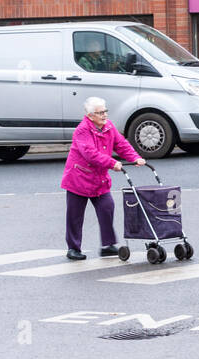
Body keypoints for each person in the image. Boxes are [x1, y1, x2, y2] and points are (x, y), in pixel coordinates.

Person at [61, 96, 144, 260]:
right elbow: (90, 154)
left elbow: (121, 144)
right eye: (100, 113)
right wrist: (112, 163)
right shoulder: (82, 130)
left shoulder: (108, 126)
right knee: (75, 216)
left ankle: (107, 245)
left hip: (99, 179)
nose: (105, 115)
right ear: (90, 115)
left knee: (107, 207)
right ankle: (73, 248)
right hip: (79, 178)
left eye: (105, 111)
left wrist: (134, 157)